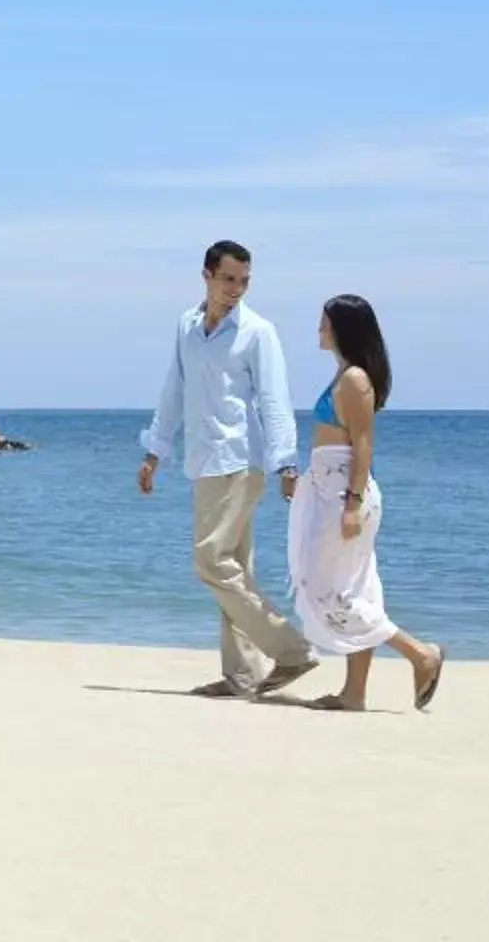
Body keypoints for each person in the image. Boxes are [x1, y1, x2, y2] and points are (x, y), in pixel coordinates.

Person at [138, 240, 317, 698]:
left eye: (244, 281)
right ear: (207, 275)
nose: (236, 289)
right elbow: (173, 389)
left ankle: (292, 650)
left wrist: (286, 463)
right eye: (228, 279)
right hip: (204, 459)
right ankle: (242, 676)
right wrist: (155, 450)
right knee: (234, 567)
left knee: (210, 560)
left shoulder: (258, 332)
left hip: (242, 458)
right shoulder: (187, 325)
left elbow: (275, 400)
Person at [288, 294, 447, 713]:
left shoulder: (356, 379)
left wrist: (352, 504)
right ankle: (354, 693)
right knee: (358, 591)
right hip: (330, 487)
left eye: (324, 322)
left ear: (342, 328)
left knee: (330, 593)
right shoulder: (344, 374)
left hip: (344, 492)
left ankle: (420, 655)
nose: (318, 329)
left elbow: (363, 444)